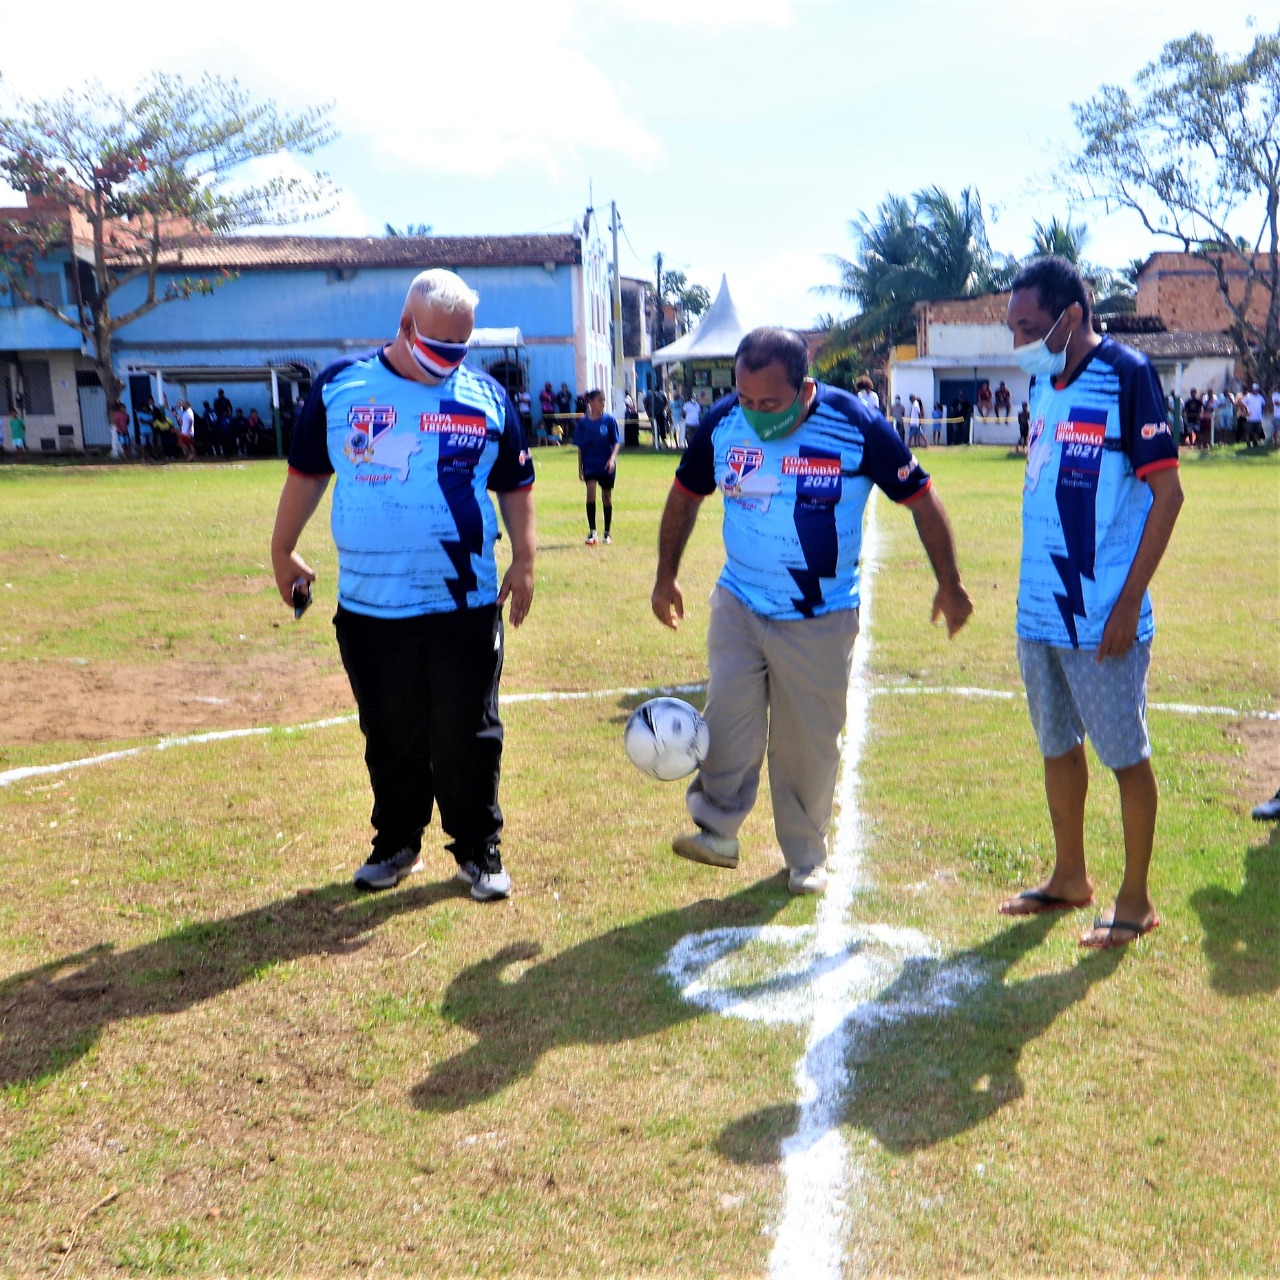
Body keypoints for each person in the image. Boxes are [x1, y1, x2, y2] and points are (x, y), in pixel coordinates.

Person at [651, 326, 972, 896]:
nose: (753, 414)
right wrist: (666, 575)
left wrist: (949, 583)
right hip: (740, 603)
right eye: (746, 400)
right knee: (727, 719)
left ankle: (805, 855)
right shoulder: (723, 423)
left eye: (768, 404)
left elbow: (922, 498)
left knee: (808, 743)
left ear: (804, 390)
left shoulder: (857, 425)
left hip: (821, 615)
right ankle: (717, 829)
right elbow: (684, 495)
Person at [270, 268, 536, 902]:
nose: (449, 362)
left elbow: (516, 485)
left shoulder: (486, 397)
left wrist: (525, 558)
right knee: (389, 731)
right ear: (405, 325)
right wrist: (282, 549)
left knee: (469, 732)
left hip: (464, 603)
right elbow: (307, 473)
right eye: (438, 346)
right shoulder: (342, 387)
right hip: (370, 607)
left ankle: (478, 847)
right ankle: (396, 843)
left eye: (460, 349)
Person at [1001, 255, 1183, 950]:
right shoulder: (1045, 384)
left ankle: (1135, 900)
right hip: (1039, 612)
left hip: (1102, 616)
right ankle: (1069, 878)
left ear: (1070, 317)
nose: (1018, 339)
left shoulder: (1128, 376)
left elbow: (1168, 495)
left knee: (1124, 756)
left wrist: (1125, 604)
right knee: (1057, 746)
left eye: (1028, 326)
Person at [575, 388, 621, 545]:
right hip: (590, 464)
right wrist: (580, 467)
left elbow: (616, 442)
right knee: (591, 492)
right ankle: (592, 532)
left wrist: (612, 459)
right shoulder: (583, 423)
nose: (603, 403)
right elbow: (580, 447)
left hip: (606, 465)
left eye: (604, 400)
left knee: (606, 497)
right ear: (591, 402)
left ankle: (607, 532)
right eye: (600, 400)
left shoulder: (609, 420)